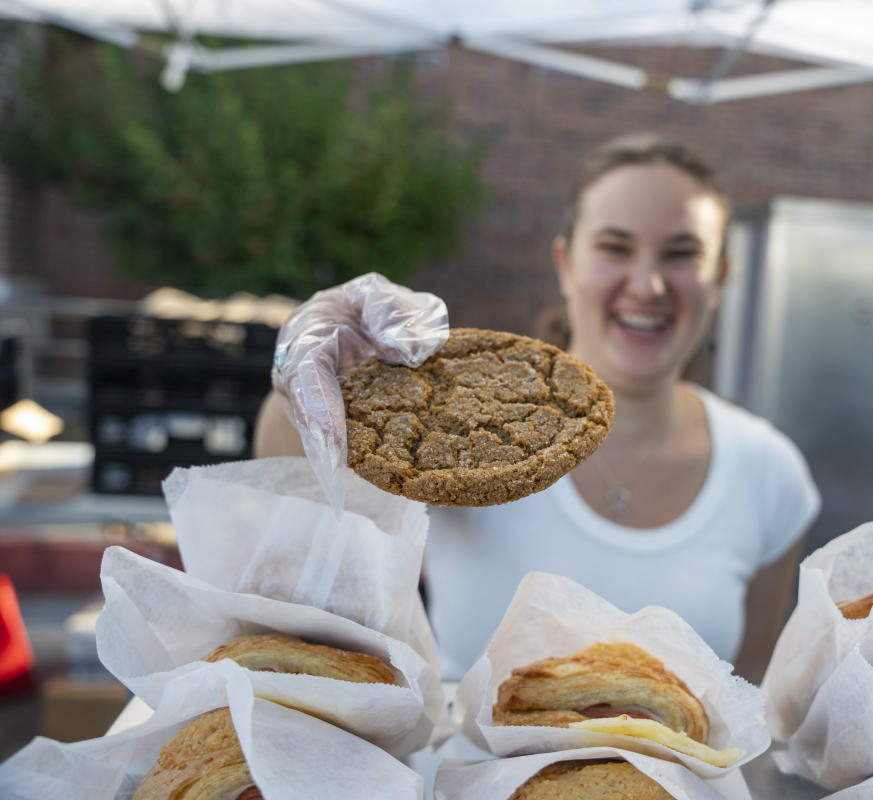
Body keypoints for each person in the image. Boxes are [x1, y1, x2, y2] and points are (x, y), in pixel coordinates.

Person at [255, 132, 820, 683]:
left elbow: (747, 695)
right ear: (565, 262)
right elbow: (290, 476)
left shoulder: (768, 471)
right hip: (464, 774)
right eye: (614, 247)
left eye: (681, 254)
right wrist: (308, 379)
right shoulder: (462, 428)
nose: (647, 285)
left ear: (719, 277)